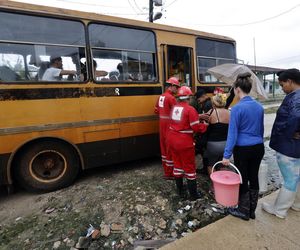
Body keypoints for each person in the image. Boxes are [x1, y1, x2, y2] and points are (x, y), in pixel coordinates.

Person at [222, 72, 265, 221]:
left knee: (243, 178)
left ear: (237, 89)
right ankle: (252, 211)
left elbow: (232, 135)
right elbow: (261, 130)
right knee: (254, 177)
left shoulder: (237, 109)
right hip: (258, 147)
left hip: (243, 149)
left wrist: (226, 155)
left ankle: (243, 211)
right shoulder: (259, 107)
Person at [262, 68, 300, 218]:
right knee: (297, 176)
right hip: (295, 147)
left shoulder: (295, 98)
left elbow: (296, 116)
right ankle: (296, 204)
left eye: (282, 84)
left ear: (290, 81)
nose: (282, 88)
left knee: (289, 179)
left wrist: (289, 133)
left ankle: (279, 210)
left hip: (288, 147)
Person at [168, 86, 208, 200]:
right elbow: (195, 128)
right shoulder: (190, 109)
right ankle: (193, 195)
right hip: (184, 142)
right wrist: (204, 126)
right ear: (189, 97)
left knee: (177, 165)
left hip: (172, 139)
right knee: (189, 168)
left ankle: (180, 191)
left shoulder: (174, 108)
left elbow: (180, 120)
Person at [154, 77, 180, 179]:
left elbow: (156, 110)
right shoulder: (171, 98)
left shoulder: (161, 96)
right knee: (170, 150)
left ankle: (166, 170)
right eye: (176, 87)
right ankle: (170, 173)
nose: (177, 89)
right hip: (169, 127)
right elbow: (177, 114)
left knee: (164, 149)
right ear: (172, 86)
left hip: (162, 126)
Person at [206, 93, 230, 175]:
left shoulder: (211, 112)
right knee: (222, 164)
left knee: (211, 165)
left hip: (213, 145)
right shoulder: (230, 113)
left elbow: (205, 127)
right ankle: (222, 182)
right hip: (226, 144)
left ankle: (214, 185)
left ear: (214, 103)